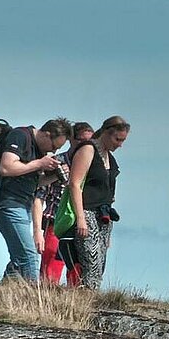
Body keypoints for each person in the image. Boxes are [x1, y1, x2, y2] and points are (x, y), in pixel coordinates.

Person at [0, 118, 72, 283]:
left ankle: (3, 290)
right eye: (54, 146)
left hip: (23, 203)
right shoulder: (20, 136)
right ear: (46, 134)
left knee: (19, 256)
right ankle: (33, 295)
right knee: (29, 255)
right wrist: (39, 163)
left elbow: (34, 182)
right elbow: (6, 168)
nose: (53, 151)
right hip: (8, 202)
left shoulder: (39, 149)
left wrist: (54, 176)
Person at [66, 116, 130, 290]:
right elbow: (74, 183)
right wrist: (80, 218)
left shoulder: (109, 157)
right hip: (87, 212)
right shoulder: (88, 149)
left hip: (104, 215)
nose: (120, 144)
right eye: (117, 139)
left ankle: (90, 296)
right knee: (90, 261)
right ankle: (87, 297)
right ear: (107, 134)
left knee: (99, 264)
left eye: (123, 140)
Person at [35, 121, 94, 285]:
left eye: (90, 141)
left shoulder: (93, 165)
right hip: (56, 220)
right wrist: (37, 230)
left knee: (79, 269)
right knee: (51, 269)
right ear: (72, 140)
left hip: (84, 222)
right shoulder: (56, 162)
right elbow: (39, 195)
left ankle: (75, 298)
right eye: (82, 141)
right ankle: (47, 296)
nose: (86, 145)